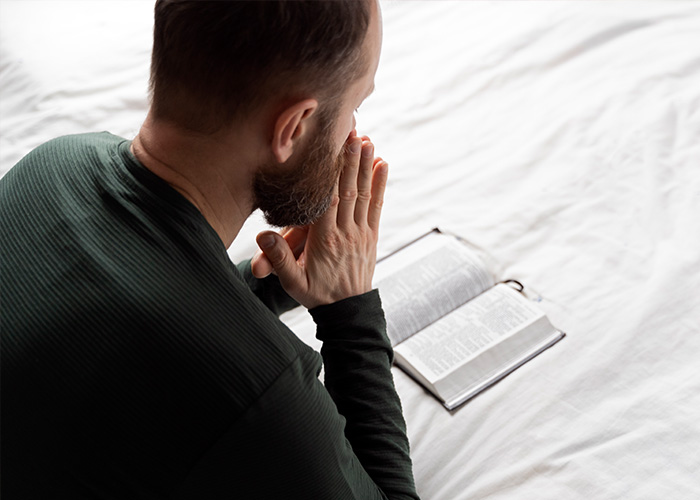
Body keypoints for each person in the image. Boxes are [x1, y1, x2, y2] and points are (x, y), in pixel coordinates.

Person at [0, 0, 419, 498]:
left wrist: (261, 287)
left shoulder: (50, 164)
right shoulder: (263, 397)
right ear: (292, 128)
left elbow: (118, 329)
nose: (353, 132)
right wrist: (350, 316)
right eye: (354, 105)